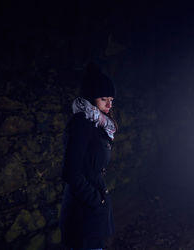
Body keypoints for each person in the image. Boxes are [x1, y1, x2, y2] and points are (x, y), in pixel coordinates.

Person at [60, 63, 117, 250]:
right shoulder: (82, 124)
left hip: (92, 211)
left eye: (111, 99)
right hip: (83, 212)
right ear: (91, 98)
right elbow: (71, 173)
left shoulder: (99, 124)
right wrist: (96, 199)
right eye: (103, 99)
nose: (109, 104)